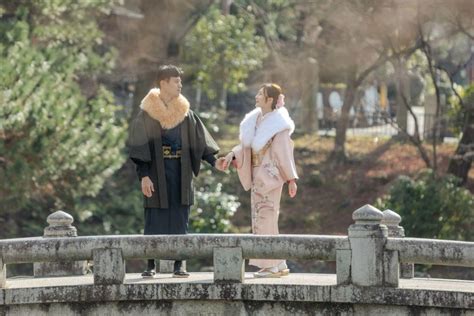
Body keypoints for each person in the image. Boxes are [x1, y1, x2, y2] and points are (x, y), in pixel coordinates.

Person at [129, 65, 224, 278]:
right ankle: (150, 264)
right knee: (154, 218)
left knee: (180, 218)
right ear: (163, 83)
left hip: (181, 172)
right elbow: (139, 146)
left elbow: (200, 142)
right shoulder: (146, 114)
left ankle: (179, 264)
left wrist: (214, 161)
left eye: (180, 81)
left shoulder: (186, 114)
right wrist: (144, 175)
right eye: (175, 81)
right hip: (155, 173)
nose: (180, 84)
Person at [219, 83, 298, 278]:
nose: (256, 96)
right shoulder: (254, 120)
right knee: (263, 217)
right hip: (257, 174)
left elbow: (284, 152)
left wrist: (291, 179)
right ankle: (278, 262)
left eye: (260, 94)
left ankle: (269, 265)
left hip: (270, 174)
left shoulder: (278, 124)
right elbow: (246, 147)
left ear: (270, 99)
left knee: (266, 217)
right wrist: (231, 155)